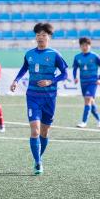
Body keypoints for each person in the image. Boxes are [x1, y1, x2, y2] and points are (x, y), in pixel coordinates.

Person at [10, 23, 68, 175]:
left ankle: (38, 156)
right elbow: (24, 68)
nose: (40, 37)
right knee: (34, 131)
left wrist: (51, 81)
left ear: (49, 37)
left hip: (49, 98)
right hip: (33, 96)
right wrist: (16, 80)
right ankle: (38, 162)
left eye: (43, 35)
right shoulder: (29, 54)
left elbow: (65, 74)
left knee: (44, 132)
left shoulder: (55, 54)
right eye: (38, 35)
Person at [73, 37, 100, 128]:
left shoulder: (95, 56)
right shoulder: (77, 57)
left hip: (92, 82)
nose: (85, 47)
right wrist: (75, 77)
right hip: (83, 82)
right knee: (91, 102)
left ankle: (84, 122)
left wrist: (99, 78)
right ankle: (99, 120)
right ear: (80, 46)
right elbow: (75, 68)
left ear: (90, 46)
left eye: (87, 45)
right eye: (83, 45)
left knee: (87, 99)